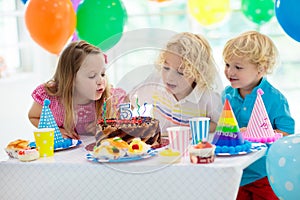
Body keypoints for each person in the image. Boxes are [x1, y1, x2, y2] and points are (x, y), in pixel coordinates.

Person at [222, 31, 295, 200]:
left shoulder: (275, 99)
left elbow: (287, 134)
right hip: (235, 174)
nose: (230, 72)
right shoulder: (226, 94)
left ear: (260, 69)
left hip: (264, 174)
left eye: (238, 67)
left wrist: (258, 134)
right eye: (227, 64)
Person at [128, 32, 223, 136]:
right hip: (158, 149)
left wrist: (195, 130)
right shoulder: (155, 81)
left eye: (180, 72)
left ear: (197, 73)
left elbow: (220, 124)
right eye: (166, 68)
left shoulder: (207, 97)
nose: (169, 77)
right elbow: (130, 100)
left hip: (190, 150)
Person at [28, 40, 126, 140]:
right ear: (71, 79)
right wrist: (56, 131)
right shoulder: (50, 96)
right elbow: (34, 117)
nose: (101, 81)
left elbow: (127, 117)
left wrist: (107, 126)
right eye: (92, 76)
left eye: (102, 74)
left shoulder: (111, 97)